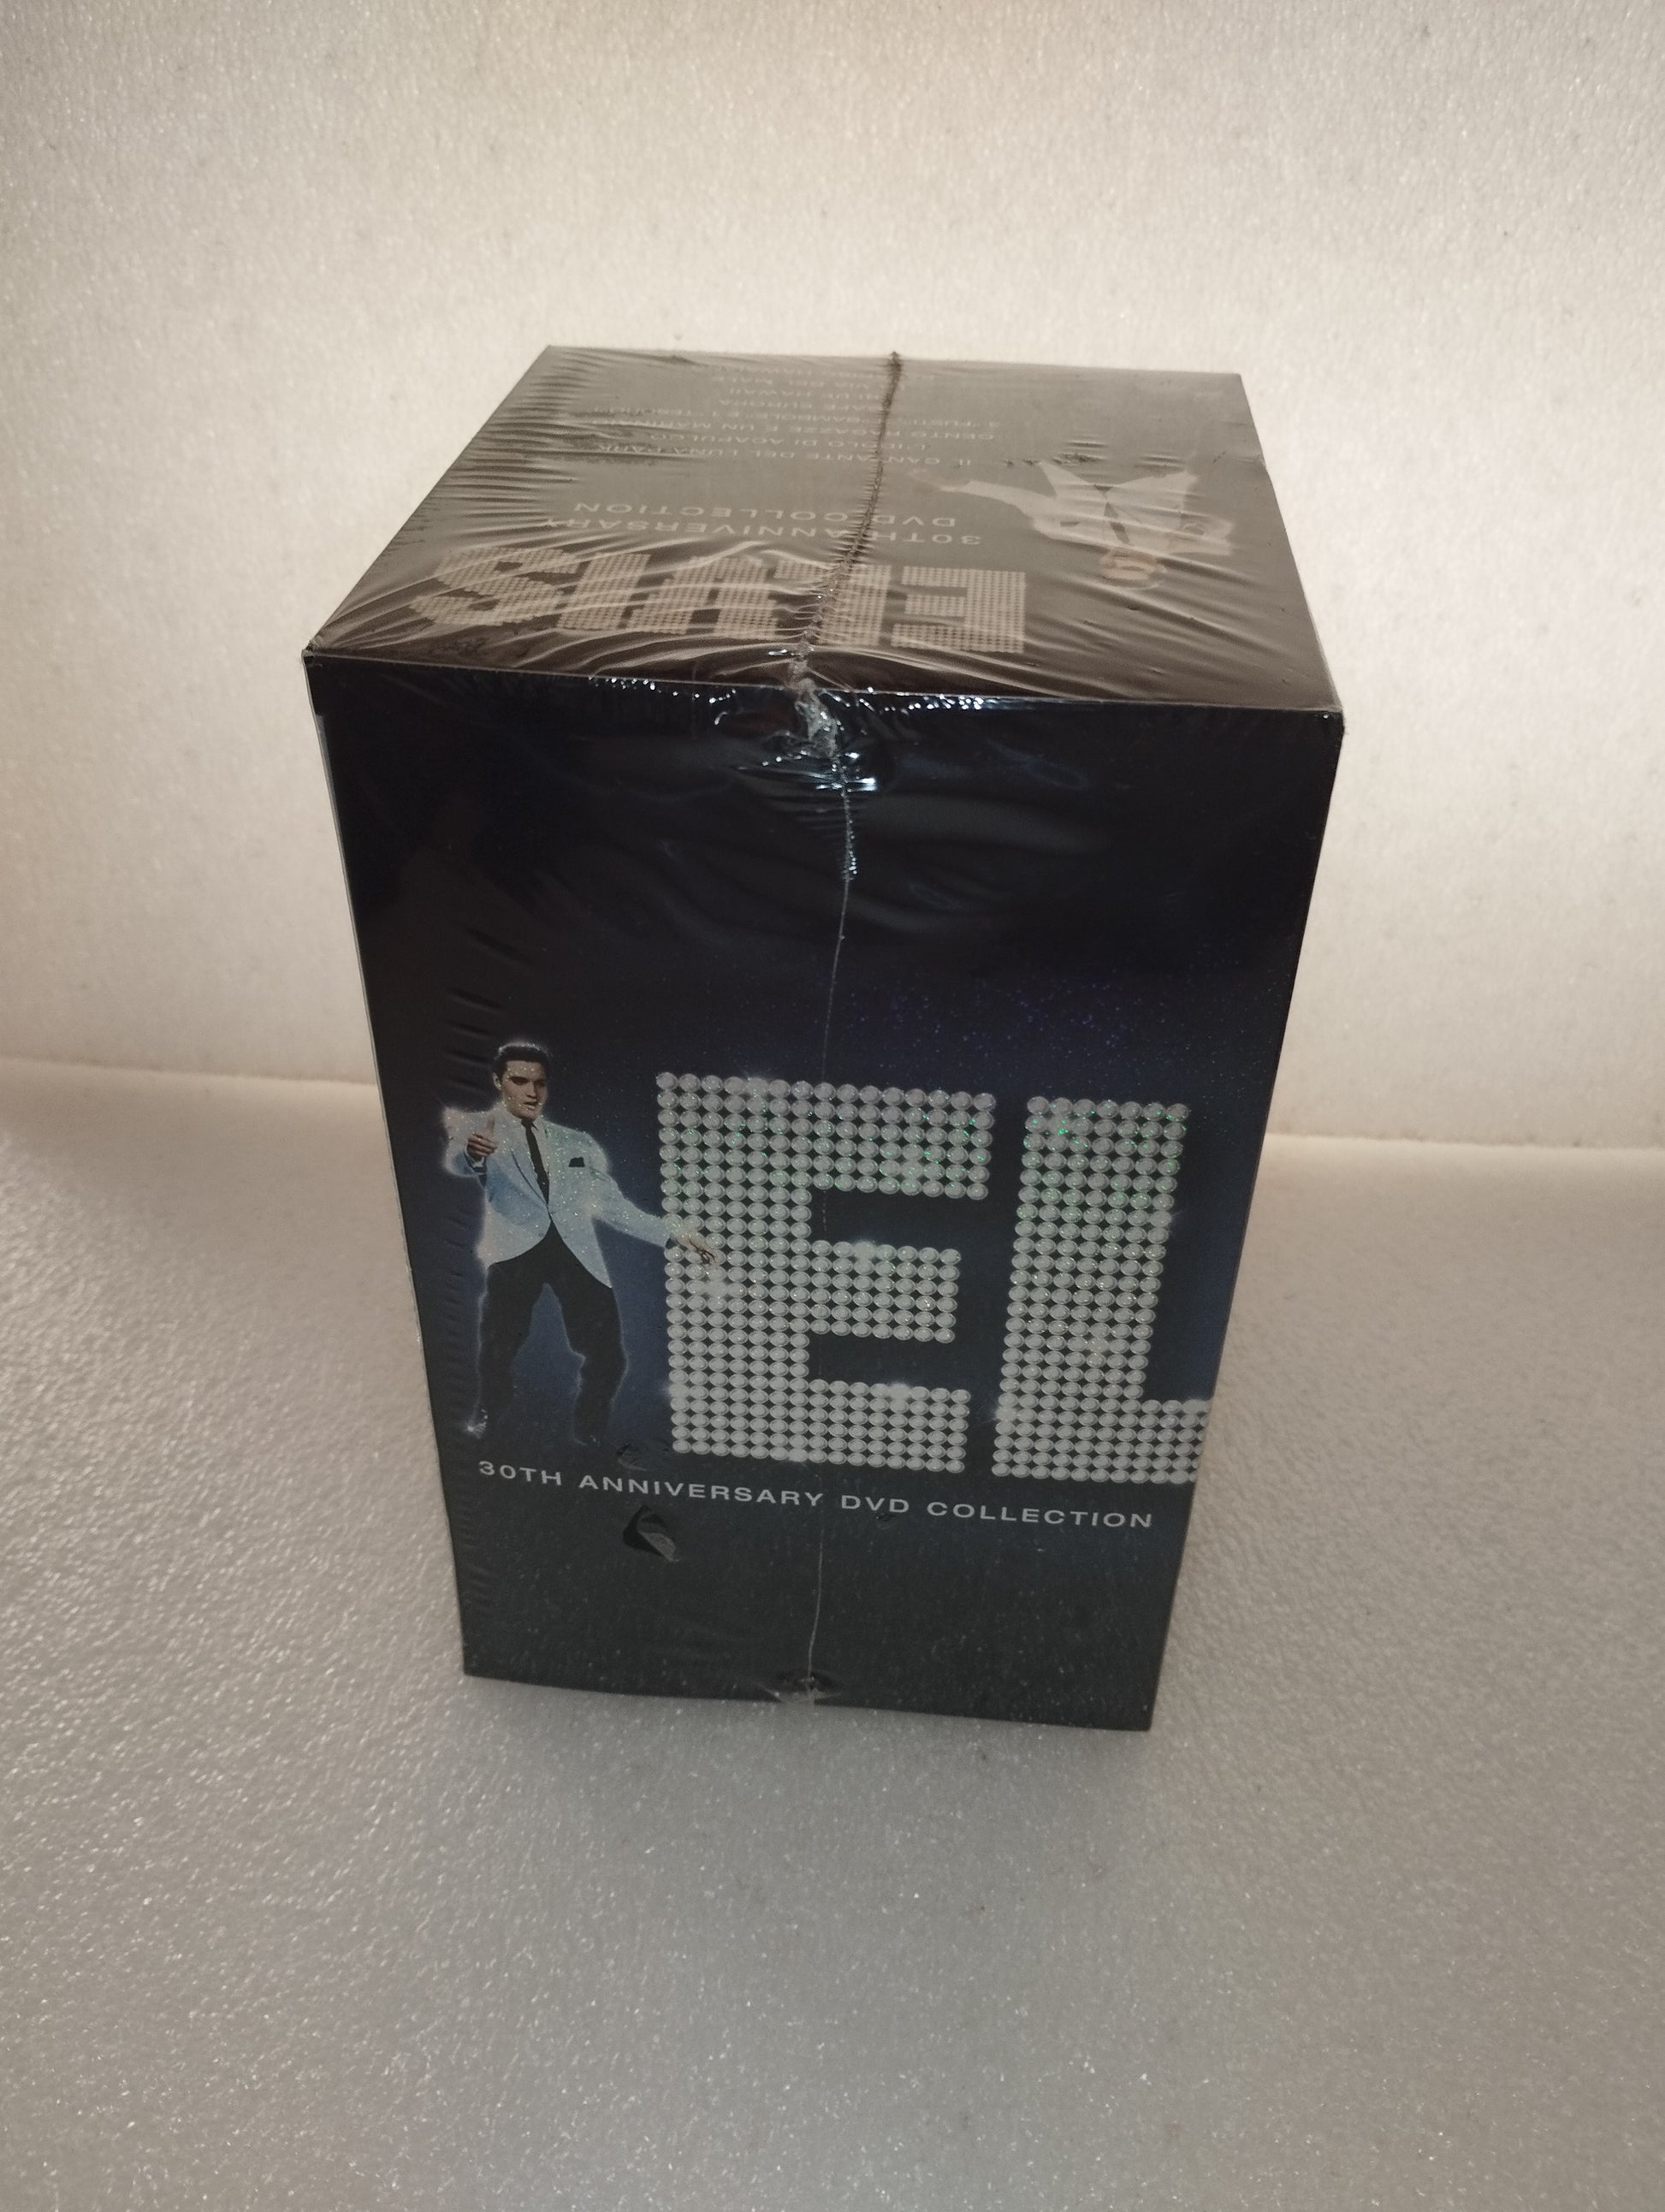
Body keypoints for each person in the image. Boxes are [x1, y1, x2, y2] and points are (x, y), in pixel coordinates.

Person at [444, 1042, 716, 1444]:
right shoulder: (479, 1126)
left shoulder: (576, 1141)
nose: (531, 1092)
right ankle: (490, 1411)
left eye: (540, 1083)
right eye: (519, 1081)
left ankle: (589, 1433)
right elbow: (457, 1160)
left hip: (575, 1251)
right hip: (514, 1251)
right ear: (499, 1082)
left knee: (609, 1356)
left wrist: (673, 1231)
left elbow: (612, 1205)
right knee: (498, 1347)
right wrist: (472, 1151)